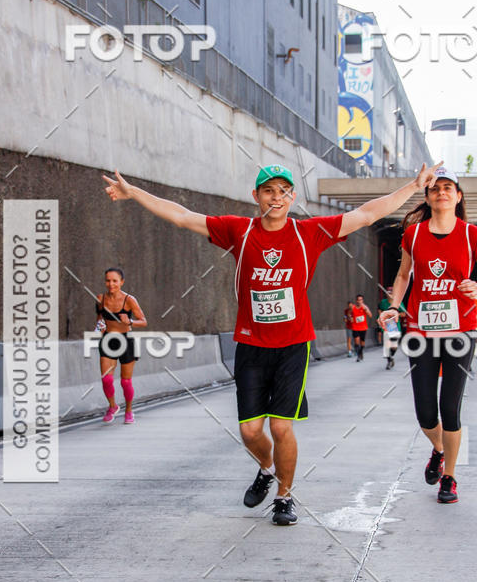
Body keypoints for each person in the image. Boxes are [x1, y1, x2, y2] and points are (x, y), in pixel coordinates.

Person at [102, 161, 443, 524]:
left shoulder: (308, 233)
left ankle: (284, 495)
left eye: (283, 192)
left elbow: (365, 214)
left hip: (293, 345)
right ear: (256, 196)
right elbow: (184, 217)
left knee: (281, 426)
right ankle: (266, 469)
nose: (276, 198)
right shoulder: (239, 230)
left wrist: (411, 186)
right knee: (250, 432)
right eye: (268, 191)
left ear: (292, 197)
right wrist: (134, 192)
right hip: (251, 344)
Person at [380, 165, 477, 505]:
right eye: (436, 188)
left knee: (450, 407)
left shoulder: (471, 235)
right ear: (428, 196)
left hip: (460, 330)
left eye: (449, 187)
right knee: (424, 411)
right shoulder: (414, 235)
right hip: (420, 329)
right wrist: (394, 304)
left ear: (458, 196)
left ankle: (449, 477)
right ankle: (438, 449)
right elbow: (403, 276)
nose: (442, 192)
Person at [95, 268, 147, 424]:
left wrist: (130, 322)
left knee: (125, 382)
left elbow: (144, 321)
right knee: (106, 379)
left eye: (115, 281)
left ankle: (129, 411)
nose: (111, 284)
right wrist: (100, 325)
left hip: (126, 340)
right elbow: (99, 318)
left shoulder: (129, 300)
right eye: (108, 280)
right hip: (108, 340)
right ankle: (112, 406)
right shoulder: (101, 298)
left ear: (121, 282)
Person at [351, 294, 372, 361]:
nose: (359, 301)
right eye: (358, 300)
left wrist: (366, 310)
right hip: (355, 327)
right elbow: (348, 314)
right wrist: (349, 318)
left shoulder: (364, 307)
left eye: (361, 300)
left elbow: (370, 315)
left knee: (362, 342)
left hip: (363, 327)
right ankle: (358, 355)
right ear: (356, 301)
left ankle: (361, 352)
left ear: (362, 300)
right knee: (357, 341)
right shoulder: (353, 307)